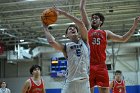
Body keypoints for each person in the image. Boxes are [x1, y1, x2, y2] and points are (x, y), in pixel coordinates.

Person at [79, 0, 140, 93]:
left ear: (101, 21)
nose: (93, 19)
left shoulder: (106, 33)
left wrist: (134, 26)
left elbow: (123, 38)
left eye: (96, 18)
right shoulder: (88, 29)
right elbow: (82, 9)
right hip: (89, 66)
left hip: (101, 66)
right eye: (92, 18)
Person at [42, 7, 90, 93]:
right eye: (70, 28)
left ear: (78, 33)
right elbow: (51, 42)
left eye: (74, 28)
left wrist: (64, 13)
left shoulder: (84, 41)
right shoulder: (65, 47)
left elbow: (81, 24)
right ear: (67, 35)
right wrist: (45, 27)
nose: (72, 29)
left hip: (84, 82)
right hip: (70, 83)